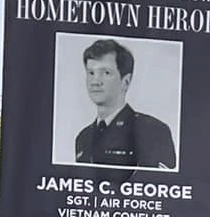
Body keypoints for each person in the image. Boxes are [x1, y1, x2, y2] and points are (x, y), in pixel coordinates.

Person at [74, 39, 176, 170]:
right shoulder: (83, 138)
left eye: (106, 73)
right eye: (91, 73)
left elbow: (162, 185)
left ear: (125, 82)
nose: (95, 81)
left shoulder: (153, 131)